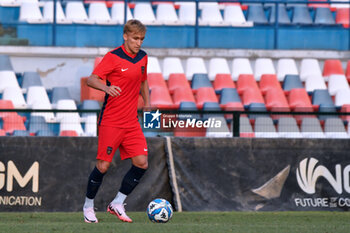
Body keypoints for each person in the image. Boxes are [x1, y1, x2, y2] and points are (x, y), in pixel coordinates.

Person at [82, 19, 150, 223]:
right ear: (126, 36)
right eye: (135, 38)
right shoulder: (112, 57)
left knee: (142, 163)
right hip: (111, 121)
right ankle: (88, 207)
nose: (139, 42)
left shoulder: (144, 58)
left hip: (131, 122)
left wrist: (148, 103)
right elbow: (91, 79)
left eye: (142, 39)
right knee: (103, 166)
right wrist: (106, 88)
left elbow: (144, 81)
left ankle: (117, 203)